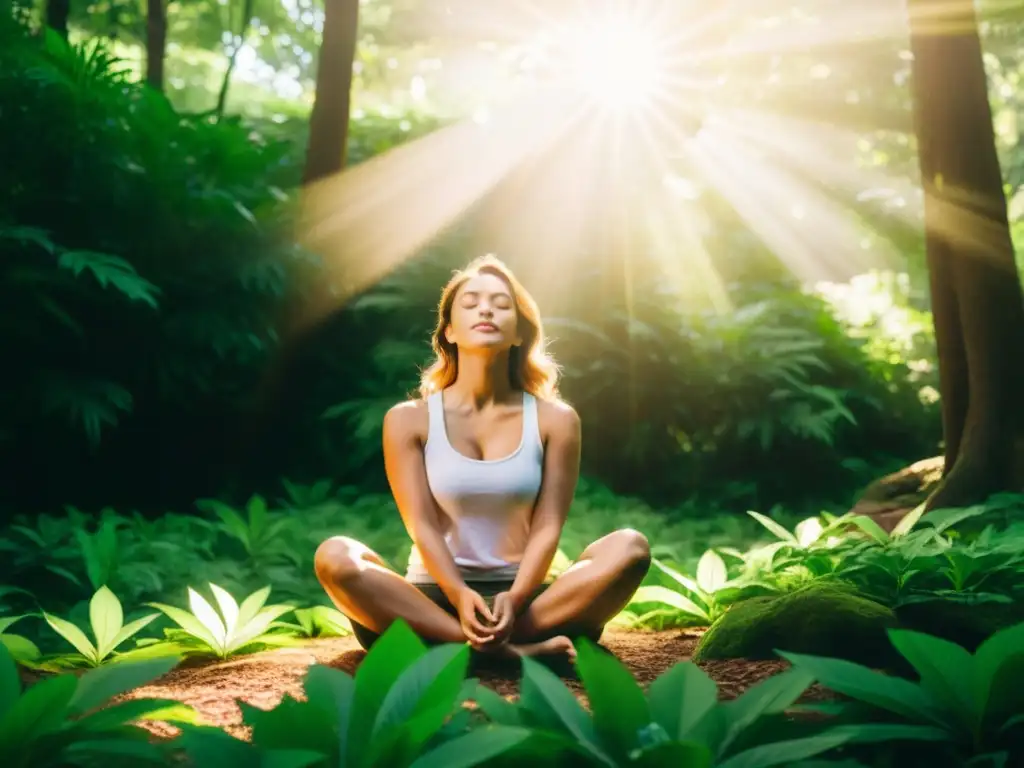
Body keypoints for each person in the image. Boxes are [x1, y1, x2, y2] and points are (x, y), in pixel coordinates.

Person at [314, 255, 651, 661]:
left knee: (630, 547)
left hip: (526, 604)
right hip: (430, 603)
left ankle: (477, 646)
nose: (486, 309)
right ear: (450, 332)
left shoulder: (556, 419)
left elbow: (547, 527)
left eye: (501, 303)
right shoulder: (408, 420)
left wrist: (518, 595)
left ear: (518, 334)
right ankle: (509, 653)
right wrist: (458, 593)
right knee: (335, 556)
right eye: (471, 302)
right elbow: (422, 525)